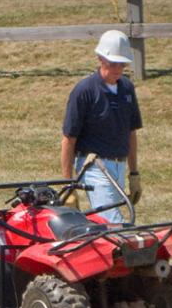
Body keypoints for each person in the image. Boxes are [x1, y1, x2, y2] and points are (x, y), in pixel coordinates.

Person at [60, 29, 144, 223]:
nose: (117, 69)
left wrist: (134, 173)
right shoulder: (84, 91)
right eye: (112, 63)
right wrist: (68, 185)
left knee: (117, 222)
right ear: (100, 59)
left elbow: (131, 132)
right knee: (113, 223)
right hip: (94, 167)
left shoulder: (127, 88)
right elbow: (68, 139)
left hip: (119, 165)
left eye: (122, 64)